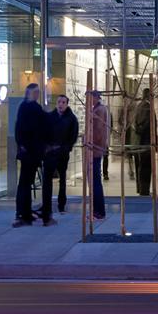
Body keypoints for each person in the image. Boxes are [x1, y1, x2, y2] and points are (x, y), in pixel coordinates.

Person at [13, 83, 52, 226]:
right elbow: (43, 126)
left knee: (24, 183)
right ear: (31, 93)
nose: (38, 94)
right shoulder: (33, 108)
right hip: (32, 153)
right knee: (25, 183)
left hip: (26, 152)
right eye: (36, 92)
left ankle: (23, 212)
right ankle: (24, 214)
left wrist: (22, 146)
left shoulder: (23, 107)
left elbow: (19, 130)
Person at [45, 93, 79, 215]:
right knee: (47, 180)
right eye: (59, 102)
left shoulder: (71, 119)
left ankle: (61, 205)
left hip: (62, 154)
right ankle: (47, 205)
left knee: (62, 179)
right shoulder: (50, 117)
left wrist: (66, 148)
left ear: (66, 104)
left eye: (63, 102)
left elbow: (73, 136)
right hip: (50, 154)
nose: (61, 104)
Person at [84, 88, 110, 220]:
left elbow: (98, 132)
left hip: (94, 150)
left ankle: (98, 211)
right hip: (95, 149)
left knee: (95, 181)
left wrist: (89, 141)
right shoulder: (100, 109)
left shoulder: (99, 110)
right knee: (95, 181)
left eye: (89, 98)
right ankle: (98, 211)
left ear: (94, 97)